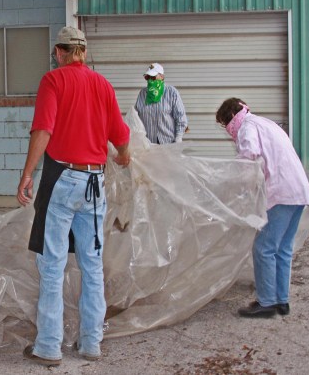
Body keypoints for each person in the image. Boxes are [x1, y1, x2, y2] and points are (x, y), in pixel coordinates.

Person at [16, 26, 131, 366]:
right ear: (83, 51)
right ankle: (91, 343)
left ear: (59, 52)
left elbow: (43, 130)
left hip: (63, 180)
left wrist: (26, 174)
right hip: (95, 183)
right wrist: (124, 155)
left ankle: (49, 347)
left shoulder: (54, 81)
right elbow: (120, 136)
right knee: (92, 265)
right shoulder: (103, 85)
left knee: (52, 265)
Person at [215, 98, 309, 318]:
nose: (227, 131)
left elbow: (249, 159)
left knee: (264, 248)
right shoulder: (264, 122)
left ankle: (266, 302)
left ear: (230, 118)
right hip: (297, 190)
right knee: (283, 248)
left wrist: (236, 190)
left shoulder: (247, 128)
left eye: (224, 125)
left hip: (281, 192)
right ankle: (281, 300)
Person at [134, 62, 187, 144]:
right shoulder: (143, 93)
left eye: (153, 77)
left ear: (162, 77)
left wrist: (178, 137)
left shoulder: (171, 92)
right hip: (149, 145)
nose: (150, 80)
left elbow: (180, 117)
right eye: (148, 77)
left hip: (168, 143)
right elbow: (136, 117)